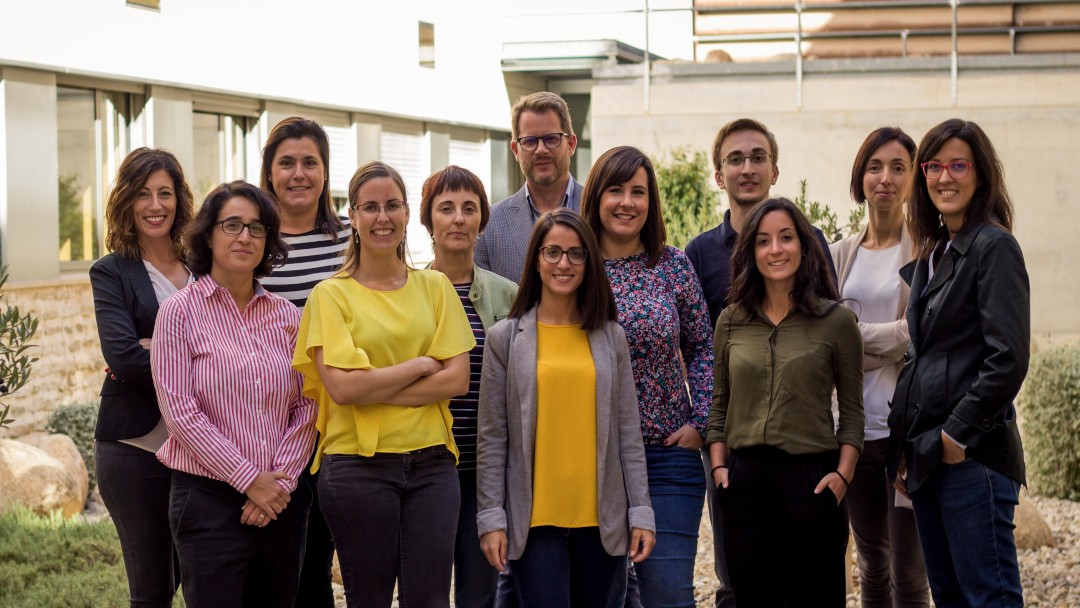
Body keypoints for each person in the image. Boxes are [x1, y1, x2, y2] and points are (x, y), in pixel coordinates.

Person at [292, 161, 475, 608]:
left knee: (430, 601)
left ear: (407, 213)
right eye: (370, 207)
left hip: (433, 465)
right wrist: (421, 365)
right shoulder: (330, 295)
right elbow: (344, 391)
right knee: (368, 599)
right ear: (352, 216)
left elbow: (456, 379)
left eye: (392, 205)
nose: (382, 217)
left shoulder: (435, 287)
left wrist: (373, 386)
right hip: (357, 467)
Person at [684, 117, 837, 607]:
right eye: (735, 159)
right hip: (731, 440)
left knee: (806, 576)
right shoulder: (699, 253)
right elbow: (690, 348)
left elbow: (830, 332)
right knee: (738, 576)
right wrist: (707, 434)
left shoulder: (809, 243)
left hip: (802, 440)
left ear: (775, 170)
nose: (747, 168)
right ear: (719, 175)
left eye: (757, 157)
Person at [476, 208, 656, 608]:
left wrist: (641, 511)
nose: (564, 263)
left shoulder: (611, 337)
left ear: (589, 262)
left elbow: (628, 434)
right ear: (536, 259)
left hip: (603, 521)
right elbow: (492, 439)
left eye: (576, 254)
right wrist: (491, 518)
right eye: (553, 252)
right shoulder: (505, 339)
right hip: (533, 522)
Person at [151, 181, 316, 608]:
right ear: (208, 234)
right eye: (232, 225)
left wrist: (278, 483)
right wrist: (249, 480)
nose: (245, 236)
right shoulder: (178, 312)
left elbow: (308, 404)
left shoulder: (287, 316)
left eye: (257, 228)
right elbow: (181, 413)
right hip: (208, 501)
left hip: (282, 500)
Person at [889, 118, 1028, 608]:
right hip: (928, 456)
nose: (944, 177)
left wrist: (955, 437)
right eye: (933, 166)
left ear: (980, 174)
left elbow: (1006, 359)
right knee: (949, 598)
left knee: (989, 598)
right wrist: (909, 447)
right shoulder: (935, 252)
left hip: (972, 458)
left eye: (958, 166)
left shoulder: (993, 246)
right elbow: (924, 358)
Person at [706, 198, 863, 607]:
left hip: (812, 480)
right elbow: (719, 405)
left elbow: (852, 412)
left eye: (786, 237)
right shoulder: (731, 321)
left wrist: (842, 476)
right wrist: (721, 469)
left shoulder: (836, 322)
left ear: (804, 245)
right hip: (745, 483)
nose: (775, 249)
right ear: (751, 252)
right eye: (763, 241)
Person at [581, 146, 712, 608]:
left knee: (667, 595)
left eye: (638, 192)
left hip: (666, 456)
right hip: (590, 458)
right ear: (596, 196)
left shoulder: (672, 265)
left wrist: (700, 422)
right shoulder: (573, 267)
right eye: (615, 190)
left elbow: (703, 347)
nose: (627, 202)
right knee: (601, 597)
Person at [90, 147, 194, 608]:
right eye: (143, 194)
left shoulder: (203, 266)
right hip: (134, 448)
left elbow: (233, 348)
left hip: (201, 446)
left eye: (165, 193)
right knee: (152, 590)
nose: (155, 205)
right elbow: (125, 358)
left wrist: (160, 347)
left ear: (179, 200)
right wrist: (202, 358)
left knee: (196, 576)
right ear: (127, 202)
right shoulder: (111, 272)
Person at [830, 127, 929, 608]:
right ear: (861, 177)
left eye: (898, 167)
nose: (885, 178)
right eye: (875, 167)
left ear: (913, 179)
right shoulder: (838, 255)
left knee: (908, 572)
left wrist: (854, 340)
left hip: (904, 435)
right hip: (852, 432)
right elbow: (827, 340)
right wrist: (886, 341)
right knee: (871, 564)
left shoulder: (927, 253)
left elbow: (919, 335)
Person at [258, 116, 350, 607]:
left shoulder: (353, 239)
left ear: (325, 171)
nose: (299, 174)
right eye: (287, 163)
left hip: (338, 423)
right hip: (268, 427)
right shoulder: (251, 240)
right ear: (269, 173)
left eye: (310, 162)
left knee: (317, 562)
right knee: (274, 564)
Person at [420, 165, 518, 608]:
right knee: (427, 590)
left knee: (481, 593)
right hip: (425, 465)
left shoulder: (509, 295)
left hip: (486, 470)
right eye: (446, 208)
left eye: (469, 208)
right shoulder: (406, 292)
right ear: (428, 220)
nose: (458, 218)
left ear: (482, 220)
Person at [475, 91, 583, 283]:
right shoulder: (489, 224)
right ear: (515, 150)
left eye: (551, 139)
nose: (541, 150)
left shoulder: (599, 211)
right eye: (530, 141)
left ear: (571, 144)